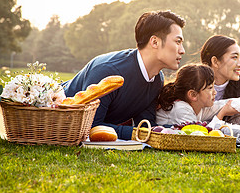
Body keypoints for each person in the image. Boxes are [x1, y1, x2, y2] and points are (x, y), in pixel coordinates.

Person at [62, 10, 186, 140]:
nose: (182, 50)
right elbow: (90, 127)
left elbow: (145, 124)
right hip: (52, 119)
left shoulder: (156, 78)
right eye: (178, 42)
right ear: (154, 42)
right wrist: (138, 133)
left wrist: (175, 130)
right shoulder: (108, 71)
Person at [156, 64, 240, 129]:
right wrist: (221, 115)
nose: (215, 92)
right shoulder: (181, 109)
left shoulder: (197, 105)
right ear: (193, 95)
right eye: (210, 88)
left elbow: (225, 104)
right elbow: (200, 136)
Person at [200, 35, 240, 126]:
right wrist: (222, 113)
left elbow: (238, 129)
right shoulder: (194, 84)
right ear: (215, 61)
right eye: (234, 57)